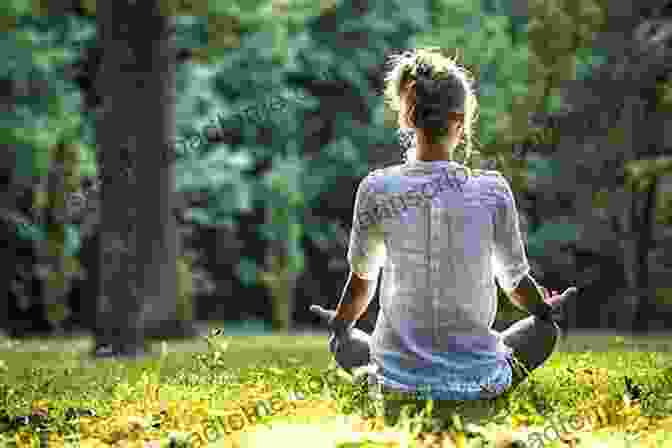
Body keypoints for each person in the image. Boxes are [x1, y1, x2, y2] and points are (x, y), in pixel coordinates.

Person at [310, 48, 578, 427]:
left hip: (396, 389)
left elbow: (360, 287)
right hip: (478, 386)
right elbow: (516, 285)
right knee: (544, 332)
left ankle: (396, 392)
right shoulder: (491, 190)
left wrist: (339, 325)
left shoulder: (377, 188)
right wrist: (543, 309)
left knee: (344, 339)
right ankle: (478, 397)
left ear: (407, 118)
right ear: (460, 122)